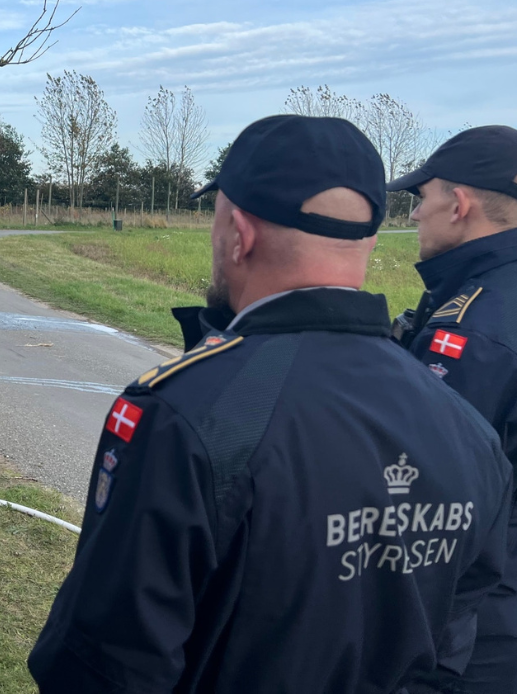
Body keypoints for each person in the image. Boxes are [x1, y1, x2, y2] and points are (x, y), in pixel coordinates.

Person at [28, 115, 514, 693]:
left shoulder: (183, 414)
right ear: (368, 241)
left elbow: (104, 662)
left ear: (238, 232)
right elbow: (452, 642)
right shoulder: (463, 423)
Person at [388, 125, 517, 692]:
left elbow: (434, 503)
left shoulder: (473, 331)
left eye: (422, 198)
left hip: (479, 631)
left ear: (459, 204)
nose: (416, 215)